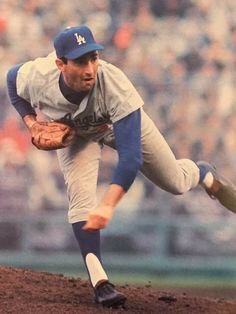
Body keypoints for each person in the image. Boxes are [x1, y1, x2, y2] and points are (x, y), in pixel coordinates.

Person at [6, 25, 236, 308]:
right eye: (80, 61)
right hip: (76, 134)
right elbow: (11, 79)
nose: (90, 67)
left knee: (175, 181)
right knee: (80, 203)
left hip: (116, 125)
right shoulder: (38, 76)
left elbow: (131, 158)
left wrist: (108, 204)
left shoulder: (113, 83)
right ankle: (101, 282)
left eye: (94, 57)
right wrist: (31, 122)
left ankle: (202, 172)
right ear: (60, 64)